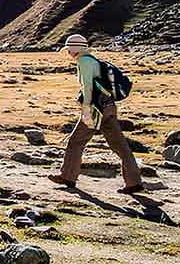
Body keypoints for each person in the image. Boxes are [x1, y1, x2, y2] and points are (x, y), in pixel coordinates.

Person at [49, 34, 144, 194]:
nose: (68, 53)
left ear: (75, 49)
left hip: (96, 108)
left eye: (69, 50)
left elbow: (88, 88)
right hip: (108, 106)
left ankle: (68, 176)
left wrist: (86, 108)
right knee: (120, 146)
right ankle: (134, 182)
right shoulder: (92, 60)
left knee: (75, 141)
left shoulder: (84, 62)